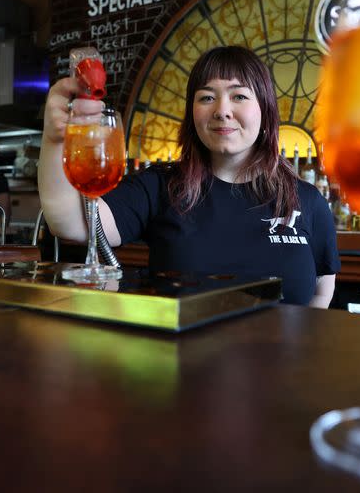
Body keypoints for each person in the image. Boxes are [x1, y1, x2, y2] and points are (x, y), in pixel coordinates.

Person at [38, 46, 340, 307]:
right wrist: (54, 139)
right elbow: (70, 223)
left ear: (266, 111)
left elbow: (321, 293)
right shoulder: (160, 186)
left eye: (239, 96)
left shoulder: (307, 201)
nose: (222, 110)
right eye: (207, 98)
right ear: (192, 114)